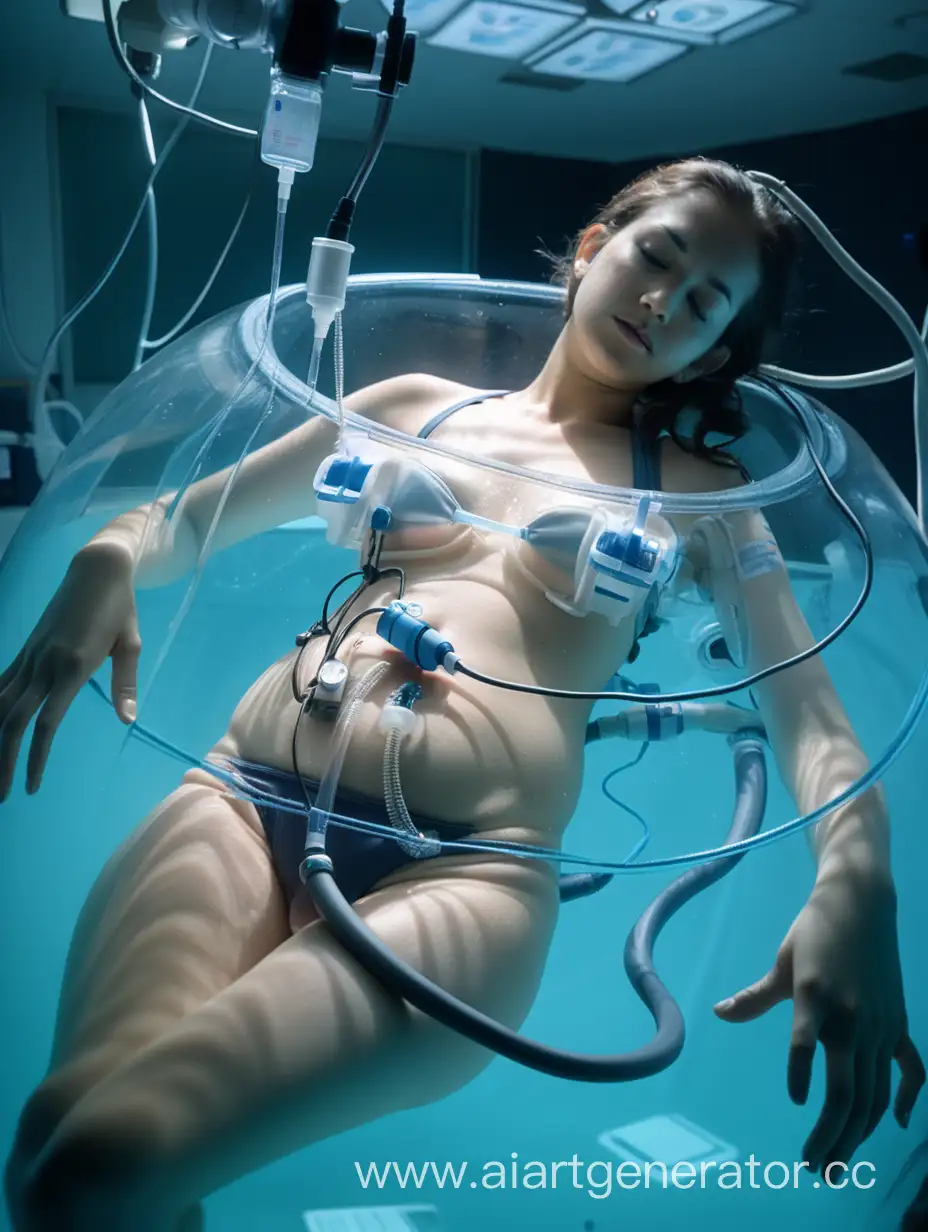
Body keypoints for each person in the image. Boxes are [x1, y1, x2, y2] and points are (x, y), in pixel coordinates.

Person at [2, 157, 924, 1232]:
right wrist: (103, 563)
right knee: (48, 1149)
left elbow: (811, 722)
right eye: (654, 254)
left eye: (704, 300)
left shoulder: (713, 497)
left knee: (99, 1169)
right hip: (240, 799)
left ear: (714, 350)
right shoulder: (409, 408)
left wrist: (859, 890)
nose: (662, 298)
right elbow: (175, 522)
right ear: (593, 249)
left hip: (468, 876)